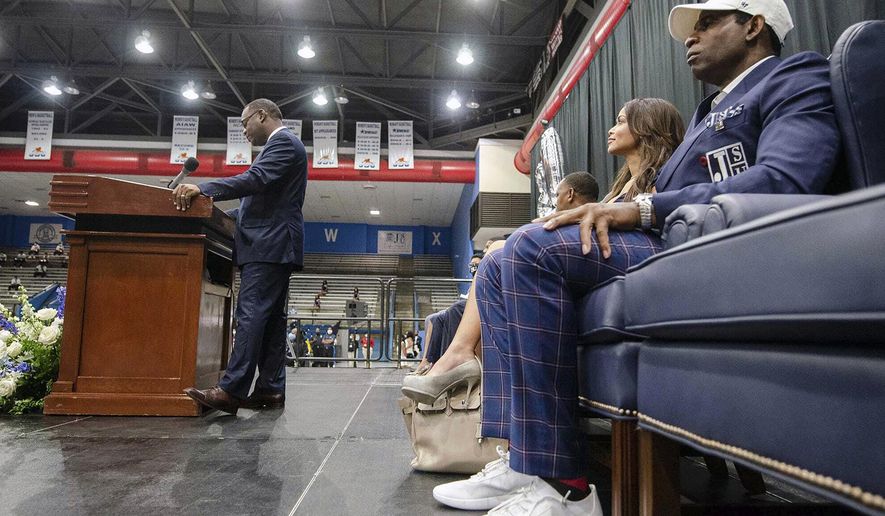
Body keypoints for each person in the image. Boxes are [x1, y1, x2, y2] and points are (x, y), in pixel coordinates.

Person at [428, 1, 841, 513]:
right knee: (499, 261)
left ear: (754, 25)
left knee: (529, 252)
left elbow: (786, 179)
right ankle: (521, 458)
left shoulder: (795, 76)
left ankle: (564, 486)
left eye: (706, 23)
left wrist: (642, 208)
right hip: (671, 243)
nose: (691, 38)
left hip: (708, 250)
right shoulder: (706, 113)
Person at [404, 171, 604, 387]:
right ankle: (446, 361)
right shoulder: (578, 222)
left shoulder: (580, 227)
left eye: (557, 195)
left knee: (496, 253)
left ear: (570, 194)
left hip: (555, 283)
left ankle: (463, 359)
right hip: (547, 281)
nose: (555, 201)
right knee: (452, 311)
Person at [174, 98, 308, 415]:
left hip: (269, 244)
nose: (244, 130)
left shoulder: (284, 143)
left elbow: (254, 180)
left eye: (245, 122)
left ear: (262, 115)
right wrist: (222, 213)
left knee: (250, 315)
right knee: (272, 321)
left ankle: (231, 390)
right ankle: (270, 389)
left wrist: (204, 189)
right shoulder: (283, 146)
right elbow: (260, 197)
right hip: (272, 243)